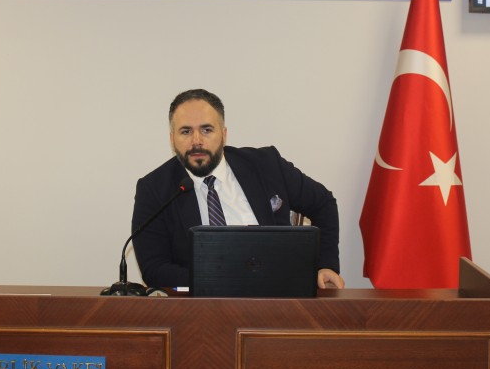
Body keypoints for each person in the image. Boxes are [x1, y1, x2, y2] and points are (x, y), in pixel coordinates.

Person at [131, 89, 344, 290]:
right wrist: (221, 279)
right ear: (172, 139)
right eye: (186, 131)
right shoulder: (154, 189)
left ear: (224, 134)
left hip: (279, 297)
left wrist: (325, 265)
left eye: (206, 130)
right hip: (202, 307)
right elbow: (154, 268)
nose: (197, 141)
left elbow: (323, 204)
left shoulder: (267, 164)